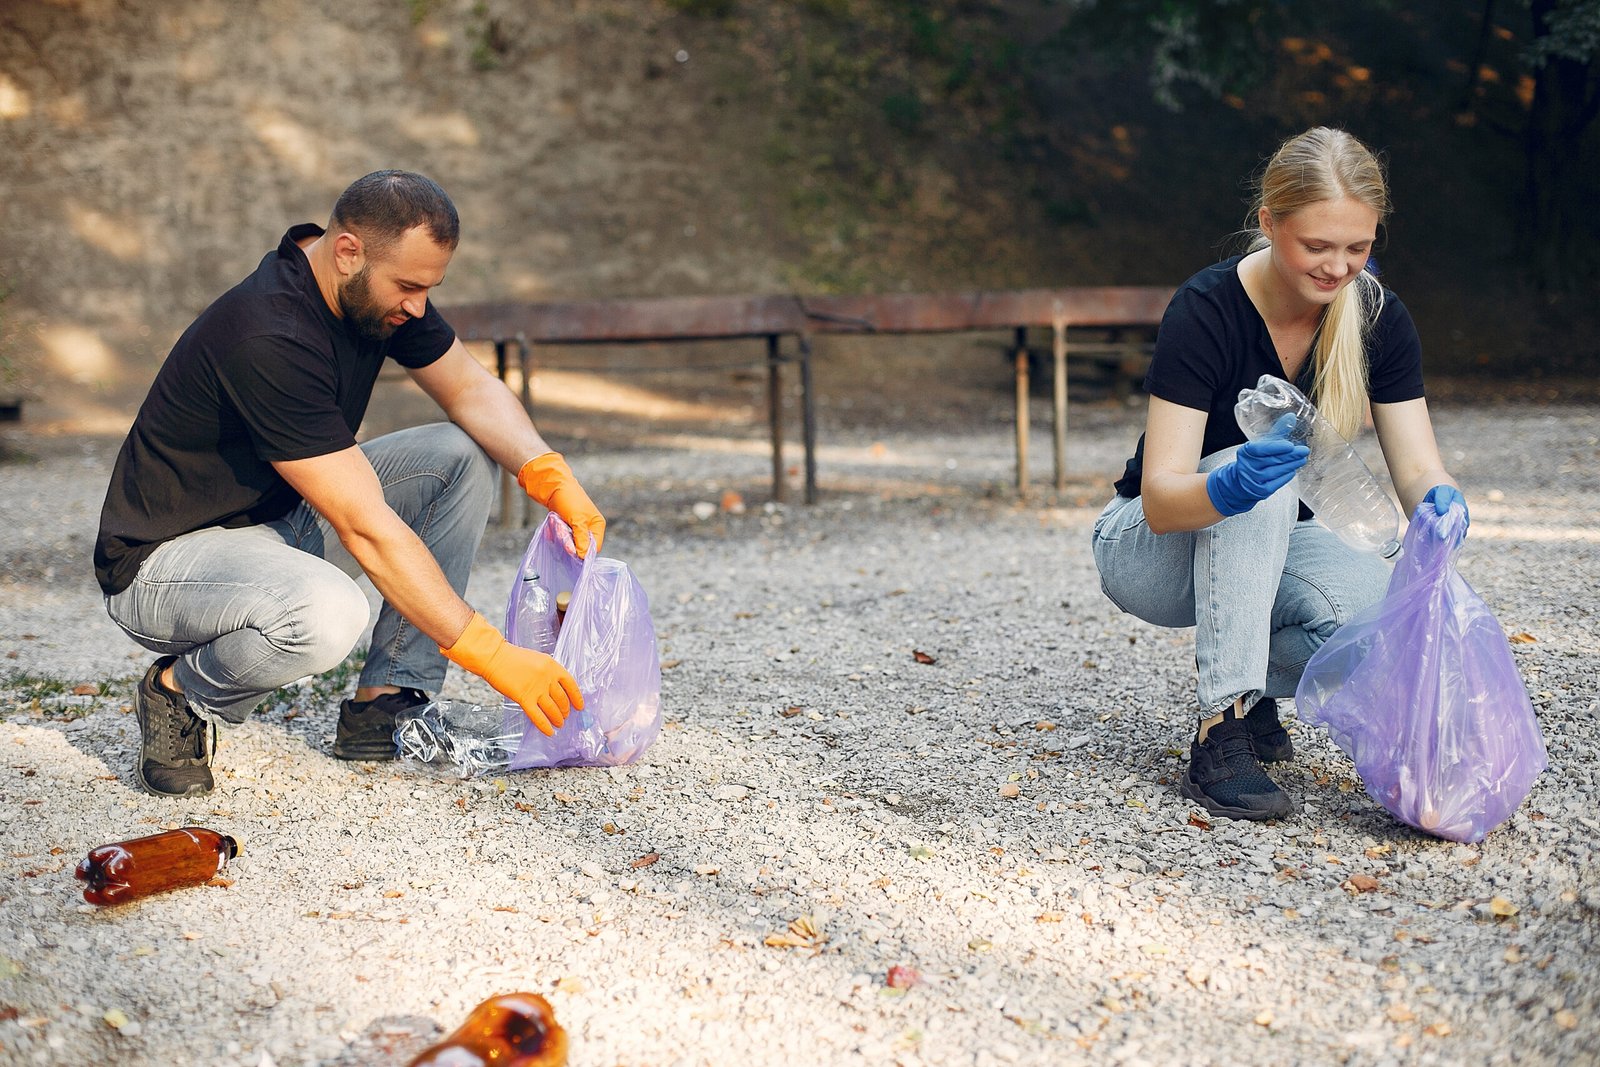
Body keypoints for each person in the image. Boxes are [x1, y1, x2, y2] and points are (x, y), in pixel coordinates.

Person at [94, 170, 608, 798]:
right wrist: (491, 654)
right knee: (328, 615)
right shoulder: (268, 334)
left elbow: (470, 389)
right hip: (167, 565)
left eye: (429, 288)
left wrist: (546, 472)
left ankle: (386, 701)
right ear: (347, 252)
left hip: (277, 530)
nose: (418, 306)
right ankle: (180, 690)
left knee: (458, 454)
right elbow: (365, 526)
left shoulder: (374, 293)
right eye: (410, 287)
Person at [1091, 127, 1467, 822]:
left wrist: (1438, 500)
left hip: (1261, 552)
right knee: (1251, 475)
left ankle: (1254, 686)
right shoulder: (1205, 311)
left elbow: (1416, 463)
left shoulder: (1379, 319)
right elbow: (1163, 500)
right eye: (1317, 247)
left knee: (1378, 617)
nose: (1338, 268)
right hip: (1150, 546)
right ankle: (1220, 733)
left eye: (1358, 248)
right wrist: (1230, 486)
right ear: (1269, 222)